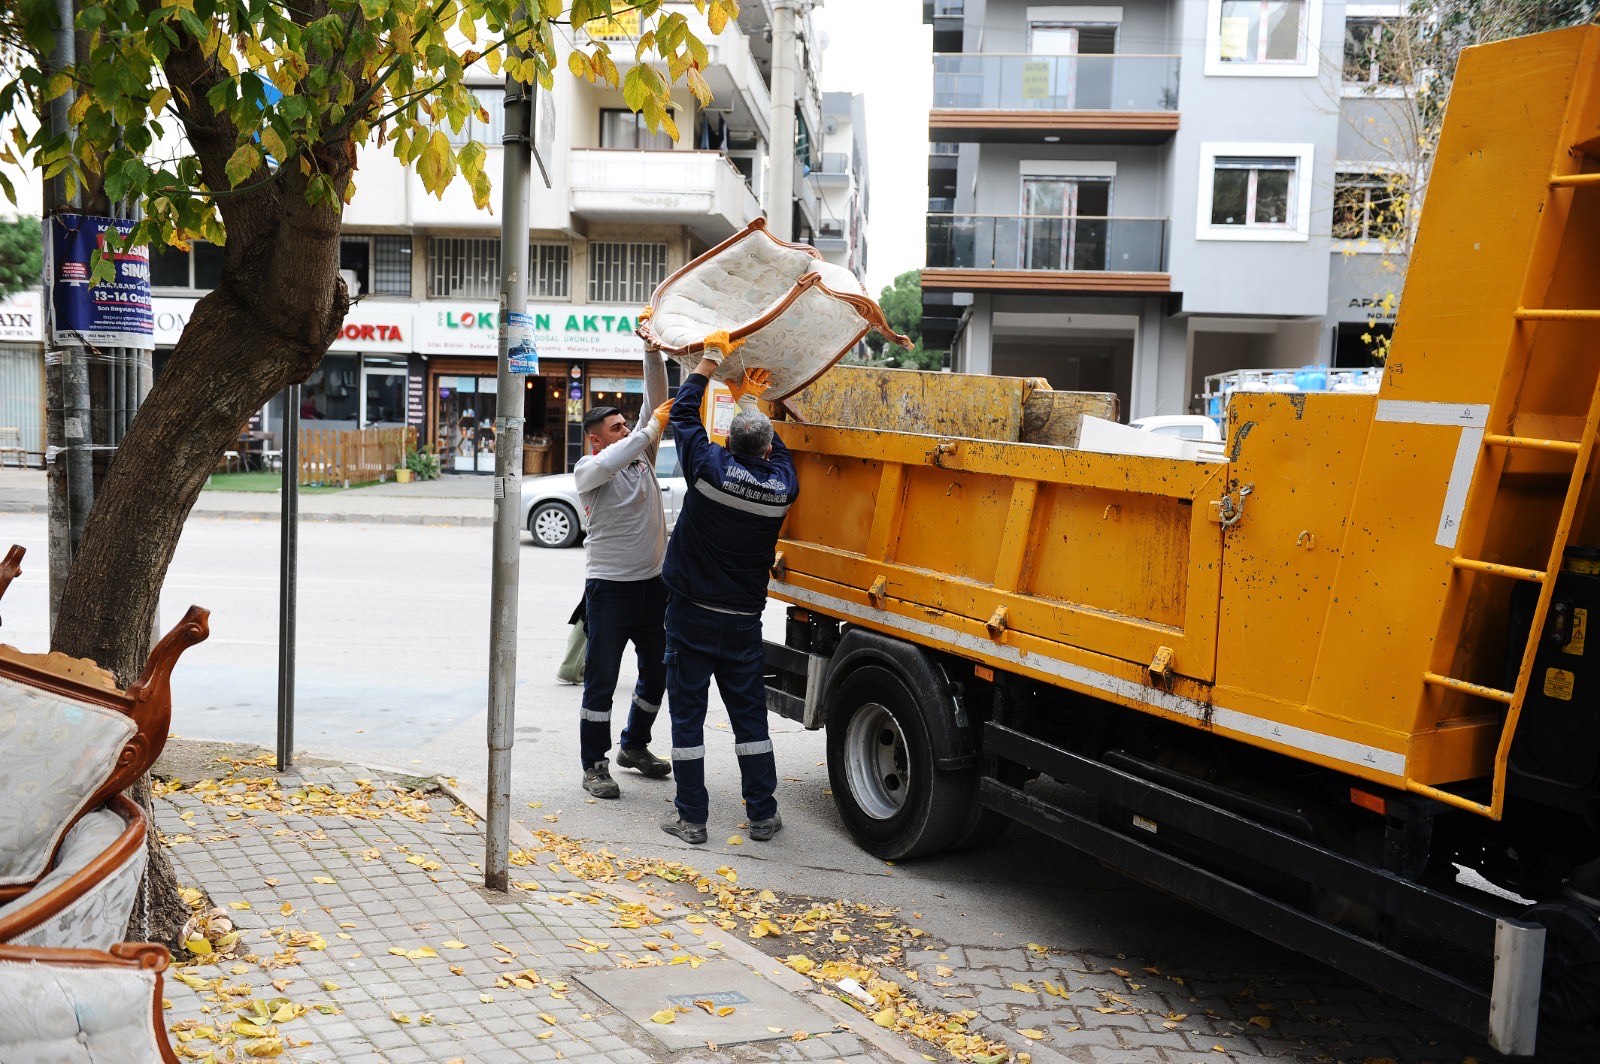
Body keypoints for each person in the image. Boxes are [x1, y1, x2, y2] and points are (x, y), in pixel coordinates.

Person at [659, 352, 799, 845]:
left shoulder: (708, 466)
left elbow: (681, 415)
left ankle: (692, 819)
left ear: (729, 443)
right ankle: (762, 814)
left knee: (688, 721)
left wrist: (706, 365)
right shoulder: (782, 486)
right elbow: (779, 451)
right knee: (750, 724)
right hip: (742, 624)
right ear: (763, 452)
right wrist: (750, 403)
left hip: (691, 617)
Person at [572, 346, 675, 799]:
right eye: (615, 428)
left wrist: (651, 352)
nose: (626, 430)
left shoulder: (640, 457)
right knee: (602, 682)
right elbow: (642, 430)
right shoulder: (589, 470)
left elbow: (654, 403)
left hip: (654, 589)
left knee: (658, 674)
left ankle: (634, 746)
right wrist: (648, 428)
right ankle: (594, 766)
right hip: (609, 592)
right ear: (596, 439)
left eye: (625, 425)